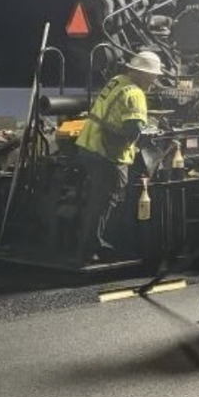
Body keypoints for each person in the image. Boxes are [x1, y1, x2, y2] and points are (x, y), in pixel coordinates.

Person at [74, 50, 162, 263]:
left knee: (95, 198)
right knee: (105, 200)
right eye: (152, 76)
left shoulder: (117, 81)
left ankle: (87, 243)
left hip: (88, 145)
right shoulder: (135, 94)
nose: (155, 80)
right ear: (140, 74)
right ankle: (90, 250)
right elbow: (133, 131)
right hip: (108, 152)